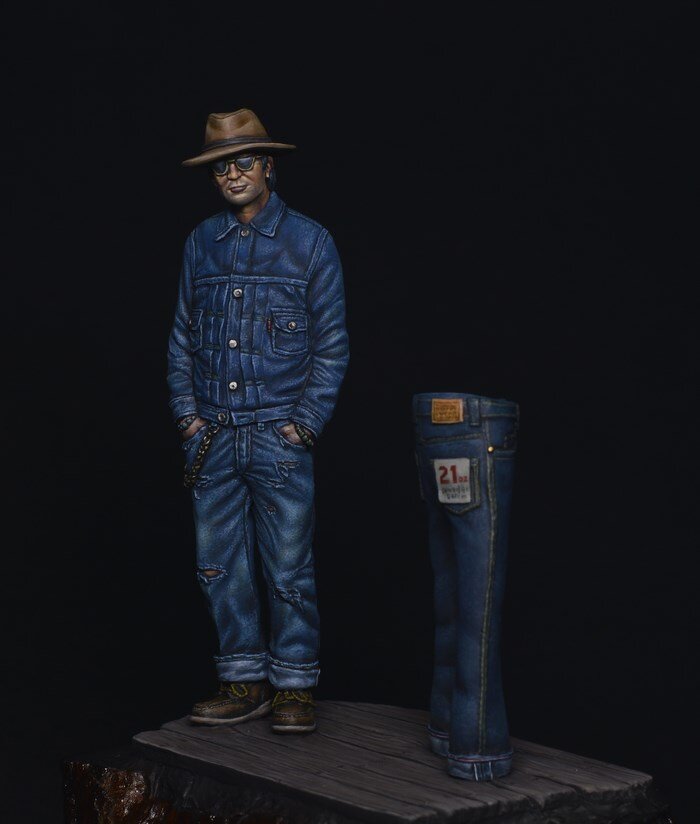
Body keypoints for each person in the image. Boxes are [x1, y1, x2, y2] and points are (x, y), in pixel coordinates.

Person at [167, 108, 349, 733]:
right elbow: (181, 337)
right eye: (221, 167)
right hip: (213, 436)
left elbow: (332, 345)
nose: (233, 175)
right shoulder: (201, 242)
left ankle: (294, 685)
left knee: (289, 567)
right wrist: (188, 417)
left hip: (278, 436)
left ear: (268, 166)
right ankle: (242, 679)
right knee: (217, 565)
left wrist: (305, 424)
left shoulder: (311, 243)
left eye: (244, 162)